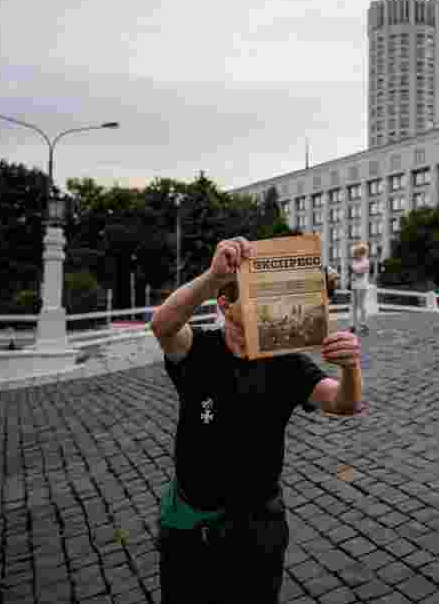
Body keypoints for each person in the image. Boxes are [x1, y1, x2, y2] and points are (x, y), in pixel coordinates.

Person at [150, 237, 363, 603]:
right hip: (190, 521)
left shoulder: (286, 361)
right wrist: (214, 275)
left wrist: (350, 369)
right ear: (224, 305)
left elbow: (342, 403)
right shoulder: (198, 349)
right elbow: (162, 325)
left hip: (258, 524)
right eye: (250, 301)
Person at [349, 242, 370, 334]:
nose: (355, 255)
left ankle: (363, 324)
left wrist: (354, 269)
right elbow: (354, 272)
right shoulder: (355, 261)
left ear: (362, 253)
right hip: (354, 285)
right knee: (353, 305)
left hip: (362, 286)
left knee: (361, 305)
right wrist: (354, 271)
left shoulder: (366, 261)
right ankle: (352, 325)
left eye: (356, 253)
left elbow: (360, 273)